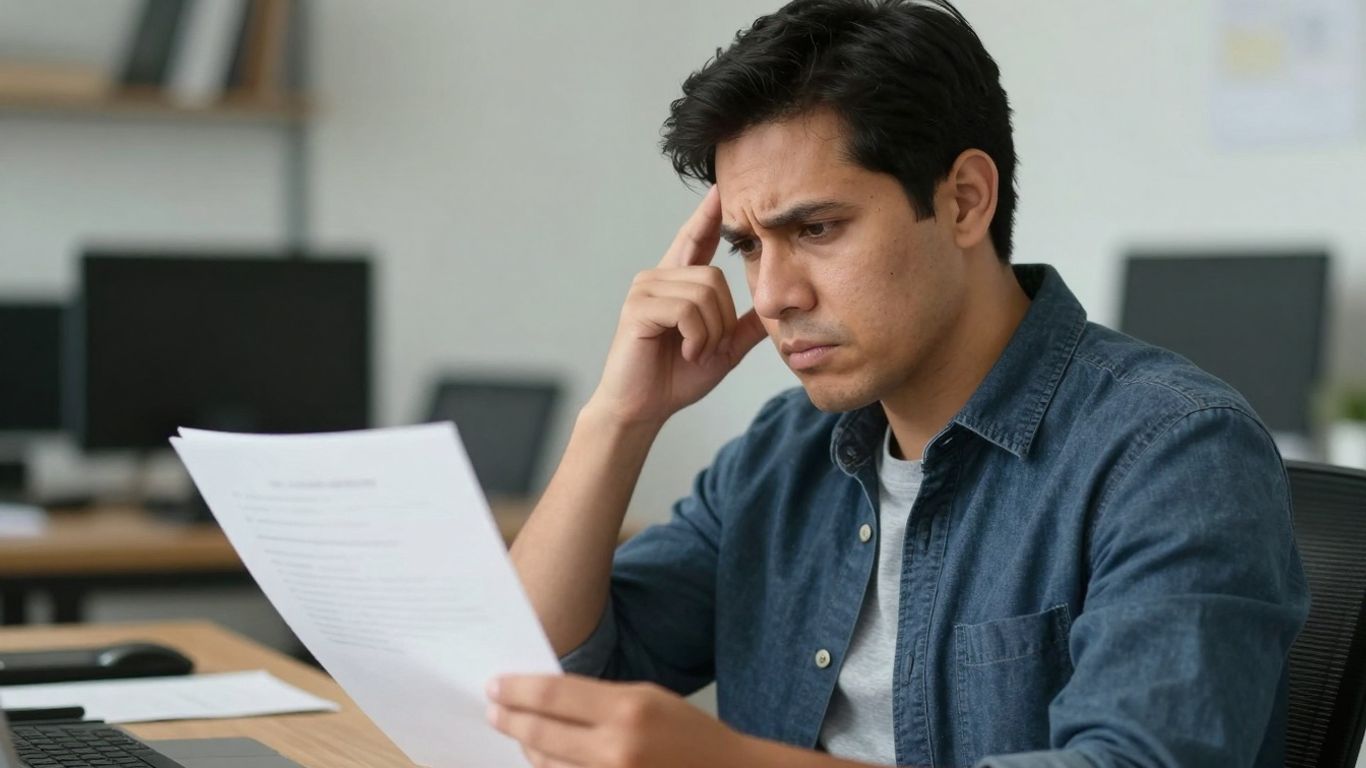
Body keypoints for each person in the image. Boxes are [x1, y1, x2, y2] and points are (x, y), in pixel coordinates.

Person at [486, 1, 1309, 766]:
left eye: (815, 228)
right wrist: (619, 417)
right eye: (747, 245)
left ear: (964, 201)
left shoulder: (1175, 450)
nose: (772, 295)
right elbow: (534, 681)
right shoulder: (782, 454)